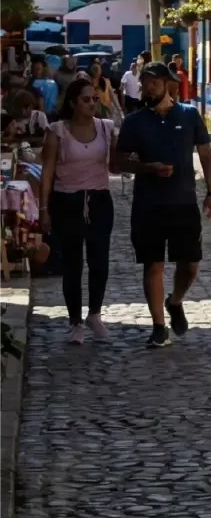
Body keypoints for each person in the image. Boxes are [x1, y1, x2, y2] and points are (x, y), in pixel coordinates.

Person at [111, 62, 211, 349]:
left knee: (190, 266)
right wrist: (147, 168)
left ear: (167, 84)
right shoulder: (134, 122)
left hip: (184, 203)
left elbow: (206, 156)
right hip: (148, 205)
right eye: (144, 84)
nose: (147, 88)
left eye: (152, 83)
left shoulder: (189, 115)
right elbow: (118, 162)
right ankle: (158, 326)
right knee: (152, 265)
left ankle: (175, 301)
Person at [41, 79, 115, 344]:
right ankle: (75, 322)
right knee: (72, 263)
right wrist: (44, 208)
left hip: (99, 199)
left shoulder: (106, 129)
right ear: (73, 102)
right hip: (66, 201)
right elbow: (47, 171)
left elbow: (117, 164)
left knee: (99, 260)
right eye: (86, 99)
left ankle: (95, 314)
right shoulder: (57, 131)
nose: (92, 104)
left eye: (95, 99)